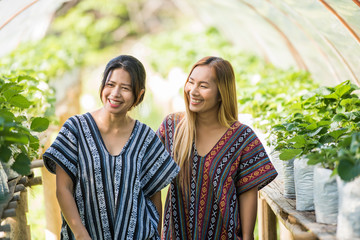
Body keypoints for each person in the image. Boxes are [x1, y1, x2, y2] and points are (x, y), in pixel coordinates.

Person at [43, 55, 180, 240]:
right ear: (102, 87)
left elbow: (154, 195)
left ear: (138, 95)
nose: (115, 93)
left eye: (125, 88)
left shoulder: (145, 138)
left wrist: (156, 234)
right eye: (110, 84)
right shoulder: (75, 129)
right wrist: (80, 233)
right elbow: (63, 188)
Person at [156, 56, 278, 240]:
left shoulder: (242, 138)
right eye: (191, 82)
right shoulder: (172, 127)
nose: (193, 91)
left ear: (221, 93)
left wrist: (247, 237)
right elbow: (149, 179)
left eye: (203, 86)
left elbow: (248, 192)